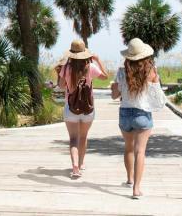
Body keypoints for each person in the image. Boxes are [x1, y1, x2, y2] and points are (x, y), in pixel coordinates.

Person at [111, 38, 167, 199]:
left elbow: (115, 96)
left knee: (128, 148)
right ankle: (136, 188)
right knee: (140, 151)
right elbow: (159, 98)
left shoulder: (122, 72)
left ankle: (129, 179)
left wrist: (114, 88)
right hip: (142, 114)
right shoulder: (151, 71)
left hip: (125, 114)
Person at [55, 39, 107, 179]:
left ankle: (75, 167)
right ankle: (82, 162)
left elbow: (60, 86)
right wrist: (97, 59)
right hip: (88, 108)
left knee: (73, 139)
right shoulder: (90, 67)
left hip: (70, 108)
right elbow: (105, 77)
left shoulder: (67, 68)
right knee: (83, 137)